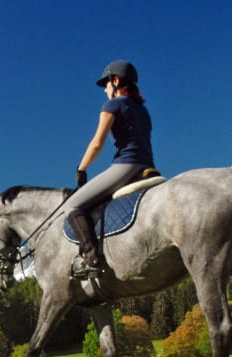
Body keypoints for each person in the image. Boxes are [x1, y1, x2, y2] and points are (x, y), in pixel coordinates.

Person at [67, 59, 155, 280]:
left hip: (126, 165)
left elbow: (97, 143)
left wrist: (82, 168)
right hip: (148, 165)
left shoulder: (113, 105)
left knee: (73, 206)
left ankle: (91, 260)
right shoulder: (143, 111)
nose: (105, 90)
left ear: (115, 81)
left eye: (106, 84)